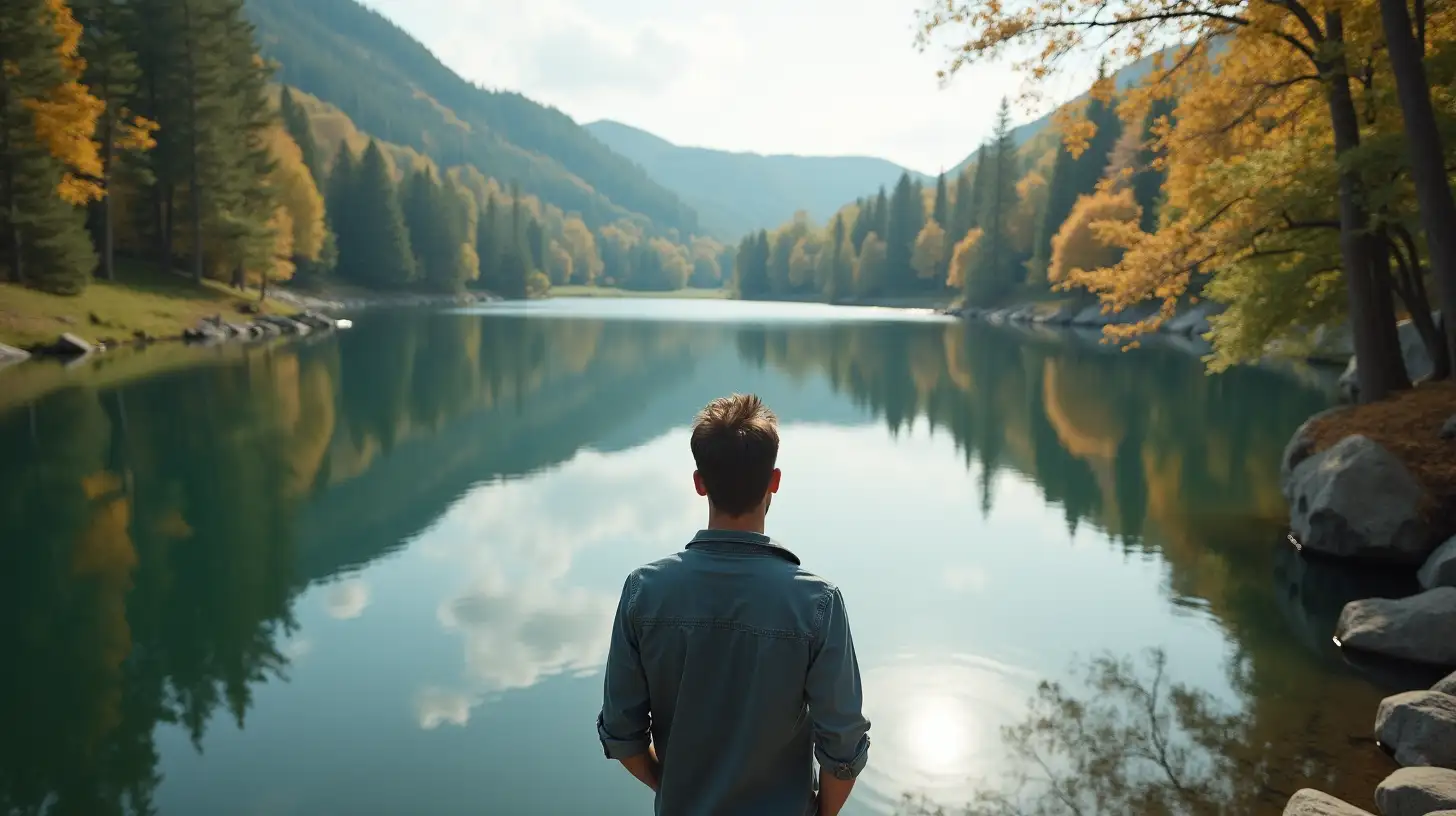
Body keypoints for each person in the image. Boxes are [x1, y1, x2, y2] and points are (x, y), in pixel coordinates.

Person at [596, 393, 871, 816]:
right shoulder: (817, 604)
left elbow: (622, 735)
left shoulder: (643, 592)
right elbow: (844, 748)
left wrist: (670, 788)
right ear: (774, 481)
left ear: (699, 482)